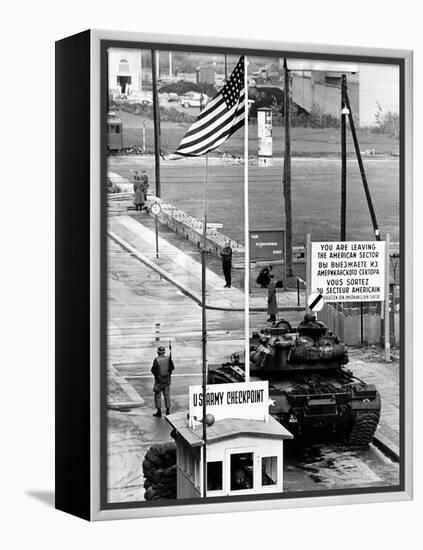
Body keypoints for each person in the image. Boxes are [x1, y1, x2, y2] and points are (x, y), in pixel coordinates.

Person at [151, 346, 174, 417]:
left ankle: (159, 411)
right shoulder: (168, 359)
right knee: (167, 395)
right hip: (167, 380)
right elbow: (172, 368)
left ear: (158, 352)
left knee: (157, 396)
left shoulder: (156, 360)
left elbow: (153, 370)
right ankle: (167, 411)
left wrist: (156, 375)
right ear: (164, 352)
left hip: (159, 381)